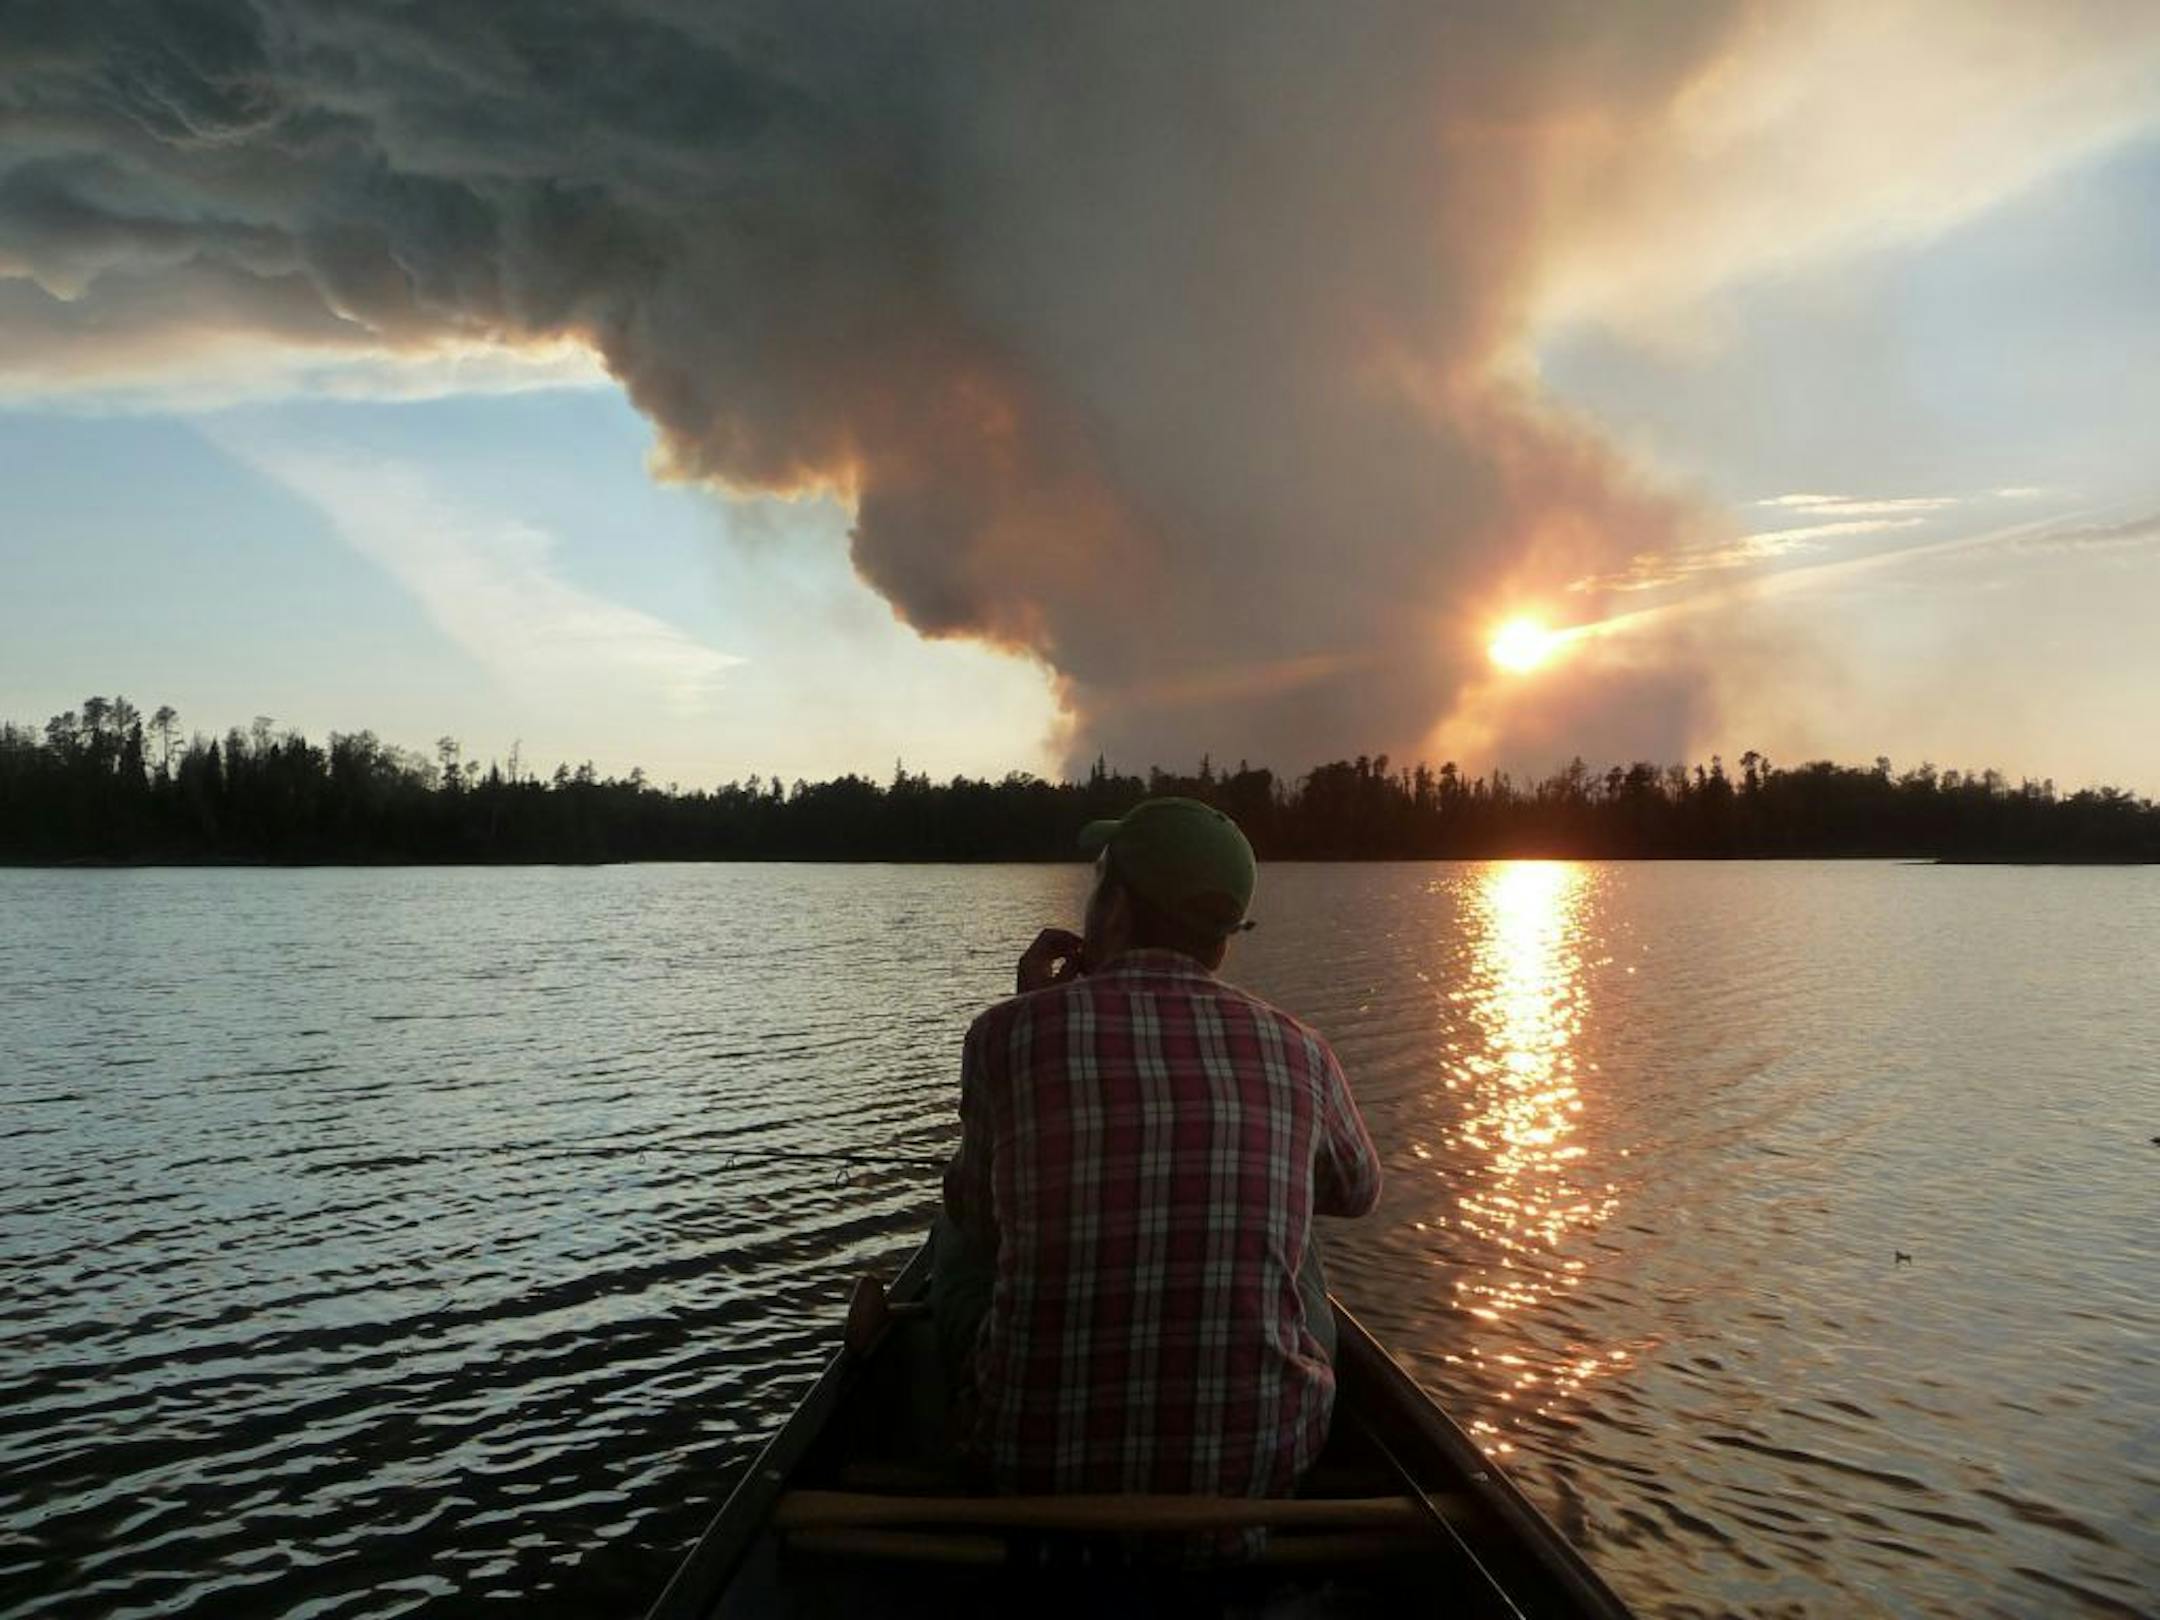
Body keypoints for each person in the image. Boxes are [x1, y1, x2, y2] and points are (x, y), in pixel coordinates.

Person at [933, 796, 1382, 1502]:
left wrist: (1024, 1011)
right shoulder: (1302, 1051)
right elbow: (1356, 1195)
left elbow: (983, 1224)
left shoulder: (1003, 1036)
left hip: (1027, 1460)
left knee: (952, 1223)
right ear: (1224, 936)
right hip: (1259, 1464)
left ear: (1113, 910)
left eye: (1098, 881)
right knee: (1304, 1234)